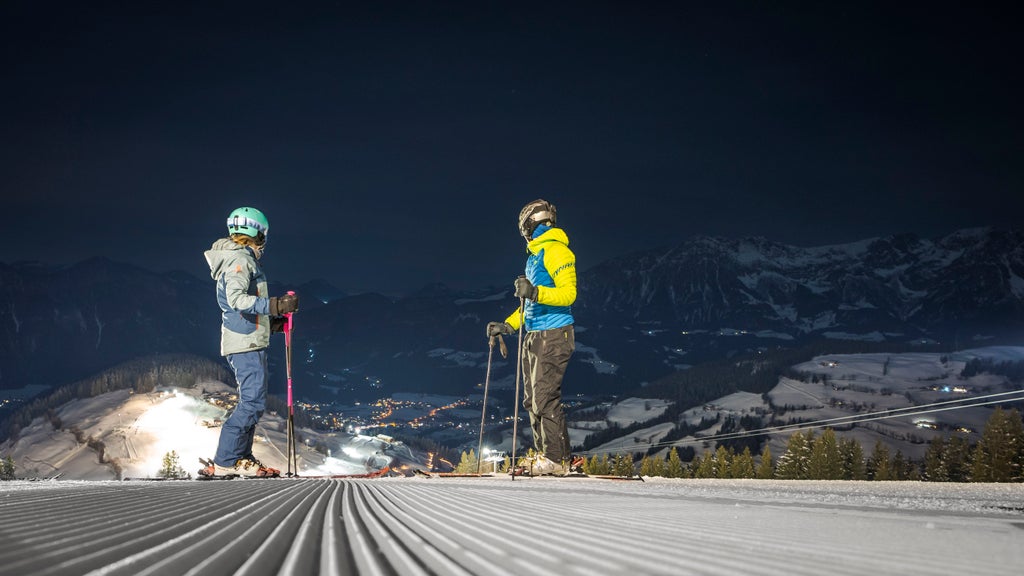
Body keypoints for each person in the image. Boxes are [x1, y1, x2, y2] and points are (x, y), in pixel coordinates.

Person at [200, 206, 299, 477]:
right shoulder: (239, 260)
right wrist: (275, 305)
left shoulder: (238, 259)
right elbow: (237, 301)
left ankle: (240, 457)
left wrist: (274, 322)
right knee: (252, 403)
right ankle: (226, 460)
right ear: (257, 233)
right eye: (264, 234)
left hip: (247, 340)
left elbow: (240, 310)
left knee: (253, 401)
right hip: (244, 344)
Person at [487, 199, 578, 475]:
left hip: (554, 332)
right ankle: (545, 456)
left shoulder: (557, 252)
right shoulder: (534, 257)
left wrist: (536, 292)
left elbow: (569, 294)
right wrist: (508, 326)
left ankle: (555, 459)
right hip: (535, 334)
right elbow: (528, 305)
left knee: (545, 396)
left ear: (529, 224)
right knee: (532, 400)